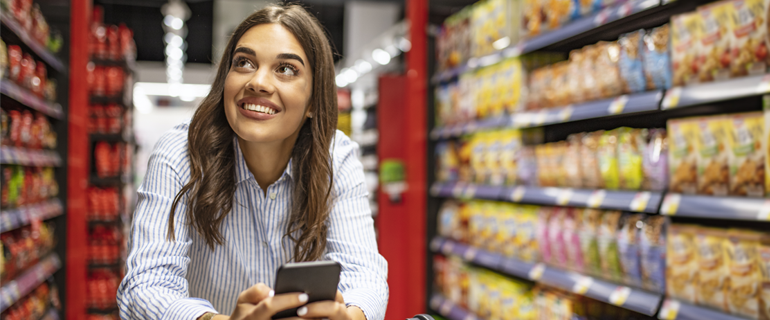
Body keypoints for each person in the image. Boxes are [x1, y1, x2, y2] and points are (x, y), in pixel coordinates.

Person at [117, 5, 388, 320]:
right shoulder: (181, 152)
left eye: (286, 68)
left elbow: (364, 272)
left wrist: (350, 316)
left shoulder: (335, 157)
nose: (258, 81)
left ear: (314, 101)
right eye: (244, 62)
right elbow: (145, 285)